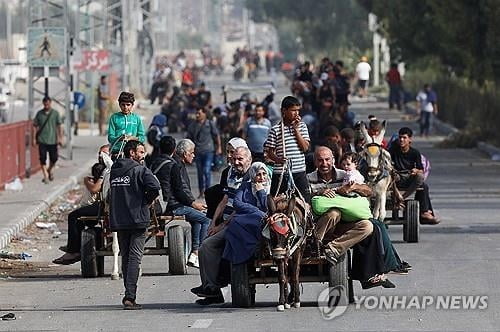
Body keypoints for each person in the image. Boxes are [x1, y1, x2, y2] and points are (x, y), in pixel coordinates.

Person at [308, 146, 394, 288]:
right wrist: (320, 193)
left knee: (368, 226)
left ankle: (334, 248)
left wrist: (354, 188)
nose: (324, 163)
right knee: (334, 213)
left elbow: (369, 191)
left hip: (344, 227)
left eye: (327, 160)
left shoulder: (347, 174)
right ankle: (315, 244)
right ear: (315, 162)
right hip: (322, 226)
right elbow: (304, 199)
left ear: (333, 160)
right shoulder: (308, 178)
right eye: (320, 160)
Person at [192, 146, 252, 305]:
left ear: (249, 160)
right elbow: (225, 200)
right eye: (234, 159)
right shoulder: (232, 173)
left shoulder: (253, 175)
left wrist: (221, 226)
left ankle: (214, 285)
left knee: (209, 245)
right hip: (227, 222)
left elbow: (241, 208)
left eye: (241, 159)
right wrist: (213, 222)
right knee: (205, 245)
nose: (237, 162)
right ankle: (211, 289)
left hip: (241, 224)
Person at [109, 140, 160, 309]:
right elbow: (155, 186)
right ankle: (129, 296)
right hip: (137, 219)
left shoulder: (114, 171)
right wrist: (146, 200)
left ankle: (128, 293)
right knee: (135, 258)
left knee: (126, 257)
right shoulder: (140, 170)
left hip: (120, 220)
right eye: (140, 152)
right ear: (131, 153)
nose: (142, 155)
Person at [152, 137, 210, 268]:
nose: (194, 155)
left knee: (197, 219)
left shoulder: (154, 162)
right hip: (173, 205)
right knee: (206, 219)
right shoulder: (174, 165)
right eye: (192, 153)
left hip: (159, 204)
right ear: (183, 153)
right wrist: (193, 204)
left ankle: (194, 255)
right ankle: (198, 253)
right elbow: (180, 190)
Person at [52, 145, 110, 265]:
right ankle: (75, 244)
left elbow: (95, 189)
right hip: (109, 204)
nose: (101, 157)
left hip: (107, 206)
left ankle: (73, 251)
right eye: (100, 154)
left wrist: (86, 182)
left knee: (73, 216)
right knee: (80, 215)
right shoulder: (109, 168)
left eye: (104, 154)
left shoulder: (108, 169)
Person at [389, 127, 440, 224]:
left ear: (410, 139)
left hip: (409, 177)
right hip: (396, 178)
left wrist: (416, 171)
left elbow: (421, 169)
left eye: (404, 138)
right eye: (400, 137)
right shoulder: (393, 151)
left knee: (423, 184)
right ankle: (424, 210)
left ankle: (422, 210)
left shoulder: (415, 153)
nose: (401, 140)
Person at [265, 96, 311, 202]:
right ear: (284, 111)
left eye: (298, 110)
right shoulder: (275, 130)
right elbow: (270, 153)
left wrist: (296, 129)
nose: (296, 113)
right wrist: (278, 160)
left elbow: (305, 148)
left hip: (299, 172)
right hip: (281, 172)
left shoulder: (302, 126)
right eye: (293, 110)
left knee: (306, 203)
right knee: (275, 202)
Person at [223, 162, 270, 265]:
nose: (262, 177)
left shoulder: (271, 187)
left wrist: (261, 192)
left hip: (265, 219)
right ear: (253, 175)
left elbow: (267, 208)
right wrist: (256, 211)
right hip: (248, 217)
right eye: (258, 174)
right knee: (234, 223)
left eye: (264, 174)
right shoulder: (245, 186)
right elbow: (237, 203)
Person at [186, 108, 222, 198]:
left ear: (205, 114)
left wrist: (219, 147)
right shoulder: (193, 125)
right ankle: (201, 191)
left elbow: (216, 135)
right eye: (196, 113)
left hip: (208, 151)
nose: (197, 115)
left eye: (199, 113)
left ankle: (208, 191)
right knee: (200, 172)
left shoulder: (209, 124)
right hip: (197, 152)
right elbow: (188, 138)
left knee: (207, 171)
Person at [33, 96, 63, 184]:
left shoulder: (55, 113)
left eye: (48, 103)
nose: (46, 105)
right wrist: (34, 139)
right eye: (45, 104)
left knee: (54, 158)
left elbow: (59, 126)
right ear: (43, 104)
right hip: (42, 140)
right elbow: (35, 126)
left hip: (53, 140)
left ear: (50, 103)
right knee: (42, 158)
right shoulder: (39, 114)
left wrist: (60, 138)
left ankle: (49, 170)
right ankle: (45, 175)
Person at [108, 92, 146, 157]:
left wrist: (133, 138)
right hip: (117, 153)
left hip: (133, 154)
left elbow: (142, 138)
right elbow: (110, 138)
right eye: (123, 105)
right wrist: (119, 138)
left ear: (132, 105)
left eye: (128, 105)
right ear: (119, 105)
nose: (125, 107)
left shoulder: (137, 119)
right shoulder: (114, 117)